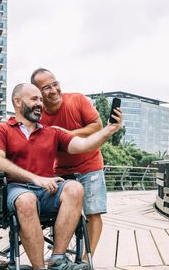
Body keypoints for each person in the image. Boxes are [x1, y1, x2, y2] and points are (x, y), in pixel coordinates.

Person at [0, 83, 123, 270]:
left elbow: (84, 145)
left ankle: (58, 259)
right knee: (26, 200)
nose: (40, 103)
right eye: (34, 99)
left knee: (75, 188)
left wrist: (109, 130)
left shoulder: (52, 133)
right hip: (17, 190)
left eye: (41, 99)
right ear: (17, 102)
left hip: (47, 190)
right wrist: (35, 178)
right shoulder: (1, 129)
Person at [31, 68, 110, 258]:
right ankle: (59, 255)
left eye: (55, 84)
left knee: (93, 213)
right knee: (58, 213)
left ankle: (86, 259)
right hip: (59, 169)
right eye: (46, 87)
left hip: (90, 165)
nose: (53, 90)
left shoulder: (77, 100)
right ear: (38, 93)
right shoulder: (37, 115)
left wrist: (65, 134)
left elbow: (97, 127)